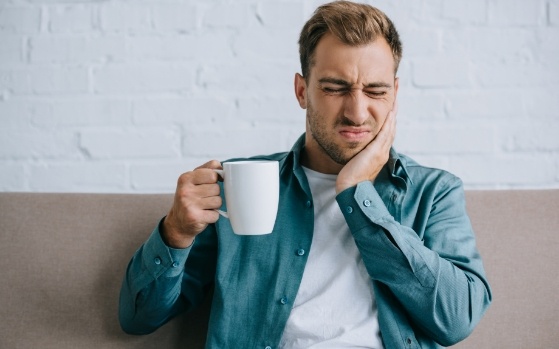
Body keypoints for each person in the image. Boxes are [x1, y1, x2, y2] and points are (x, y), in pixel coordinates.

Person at [119, 1, 492, 348]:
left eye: (376, 91)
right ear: (302, 91)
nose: (357, 112)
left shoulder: (434, 192)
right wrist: (176, 232)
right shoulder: (238, 186)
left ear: (395, 94)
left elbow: (456, 320)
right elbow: (138, 318)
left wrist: (356, 193)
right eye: (335, 88)